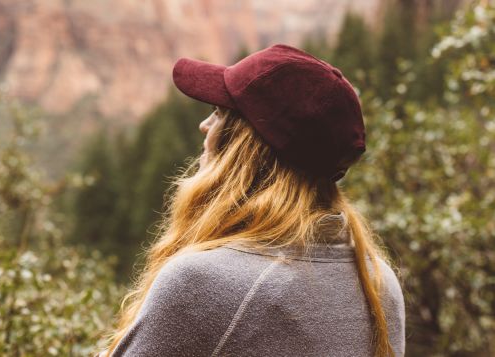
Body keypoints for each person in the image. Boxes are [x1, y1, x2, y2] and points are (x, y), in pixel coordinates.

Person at [98, 43, 405, 357]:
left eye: (219, 113)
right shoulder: (379, 284)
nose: (204, 125)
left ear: (246, 146)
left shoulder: (200, 282)